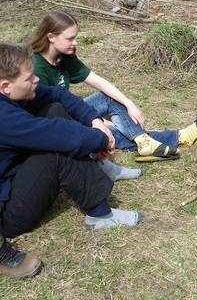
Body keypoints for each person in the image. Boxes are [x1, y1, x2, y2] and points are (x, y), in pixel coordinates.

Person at [0, 42, 145, 279]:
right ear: (5, 86)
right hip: (9, 212)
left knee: (54, 107)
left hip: (12, 173)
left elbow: (58, 94)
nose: (36, 79)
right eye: (29, 78)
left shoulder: (10, 96)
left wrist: (95, 120)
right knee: (57, 149)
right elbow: (61, 136)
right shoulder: (3, 116)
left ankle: (102, 168)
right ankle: (99, 214)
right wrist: (101, 140)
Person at [28, 11, 197, 162]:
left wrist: (129, 104)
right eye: (70, 38)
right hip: (54, 122)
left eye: (75, 37)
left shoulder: (64, 57)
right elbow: (48, 113)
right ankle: (179, 137)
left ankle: (144, 140)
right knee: (111, 132)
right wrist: (96, 120)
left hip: (69, 110)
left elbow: (98, 81)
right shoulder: (36, 67)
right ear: (51, 37)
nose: (75, 43)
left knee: (108, 97)